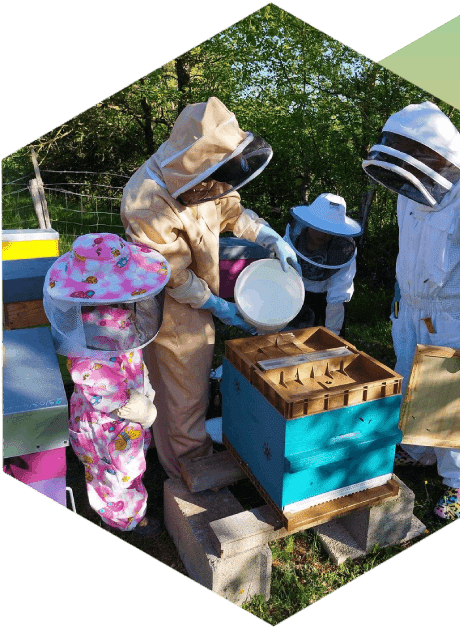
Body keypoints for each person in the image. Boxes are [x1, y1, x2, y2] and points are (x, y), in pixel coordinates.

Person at [120, 96, 300, 480]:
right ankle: (193, 473)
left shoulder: (207, 175)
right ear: (193, 166)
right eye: (211, 181)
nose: (215, 188)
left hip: (196, 298)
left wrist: (266, 235)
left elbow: (231, 209)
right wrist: (219, 306)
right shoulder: (147, 199)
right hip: (168, 309)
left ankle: (169, 456)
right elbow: (174, 276)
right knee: (185, 397)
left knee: (174, 391)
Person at [362, 101, 460, 520]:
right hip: (410, 306)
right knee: (410, 378)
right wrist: (400, 283)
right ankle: (420, 448)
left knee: (456, 399)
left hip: (453, 314)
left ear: (433, 150)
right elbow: (408, 245)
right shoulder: (411, 187)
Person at [43, 232, 171, 535]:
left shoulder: (113, 315)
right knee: (116, 475)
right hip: (105, 425)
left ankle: (128, 504)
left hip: (121, 419)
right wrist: (146, 411)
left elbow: (131, 356)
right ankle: (124, 519)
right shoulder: (88, 352)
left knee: (127, 466)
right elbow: (109, 394)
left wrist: (144, 382)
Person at [284, 193, 361, 336]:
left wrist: (333, 334)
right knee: (292, 337)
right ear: (309, 222)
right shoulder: (294, 237)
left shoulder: (343, 250)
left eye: (330, 230)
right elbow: (282, 273)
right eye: (320, 226)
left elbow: (339, 292)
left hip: (328, 295)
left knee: (332, 340)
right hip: (295, 290)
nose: (324, 234)